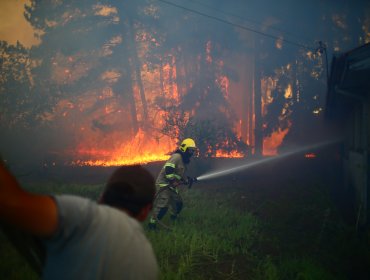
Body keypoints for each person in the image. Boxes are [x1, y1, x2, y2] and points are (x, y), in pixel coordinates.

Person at [0, 161, 159, 280]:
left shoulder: (85, 217)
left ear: (102, 195)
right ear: (145, 211)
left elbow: (8, 201)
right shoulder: (149, 262)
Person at [148, 138, 197, 230]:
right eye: (190, 150)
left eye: (193, 150)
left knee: (178, 203)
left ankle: (173, 218)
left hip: (171, 186)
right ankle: (152, 225)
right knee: (163, 206)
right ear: (184, 148)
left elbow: (179, 175)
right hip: (163, 185)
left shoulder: (183, 160)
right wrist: (172, 181)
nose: (191, 153)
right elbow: (168, 169)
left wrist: (186, 180)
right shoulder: (177, 156)